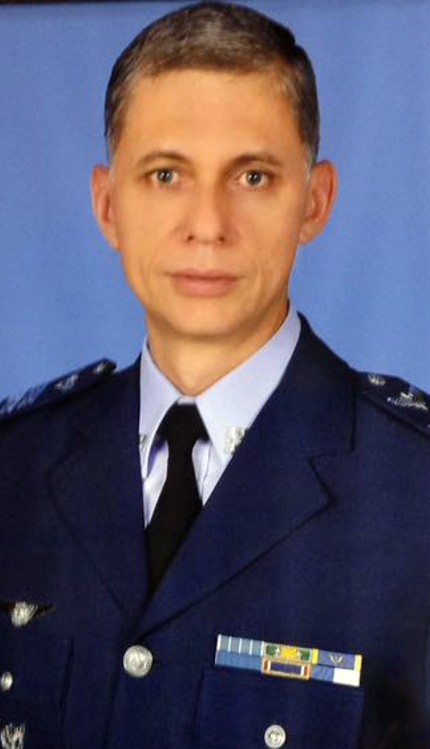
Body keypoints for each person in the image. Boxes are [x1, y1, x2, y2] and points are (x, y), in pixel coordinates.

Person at [0, 3, 429, 748]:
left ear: (315, 202)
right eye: (166, 174)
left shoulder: (415, 491)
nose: (208, 224)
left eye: (253, 176)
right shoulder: (15, 466)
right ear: (108, 206)